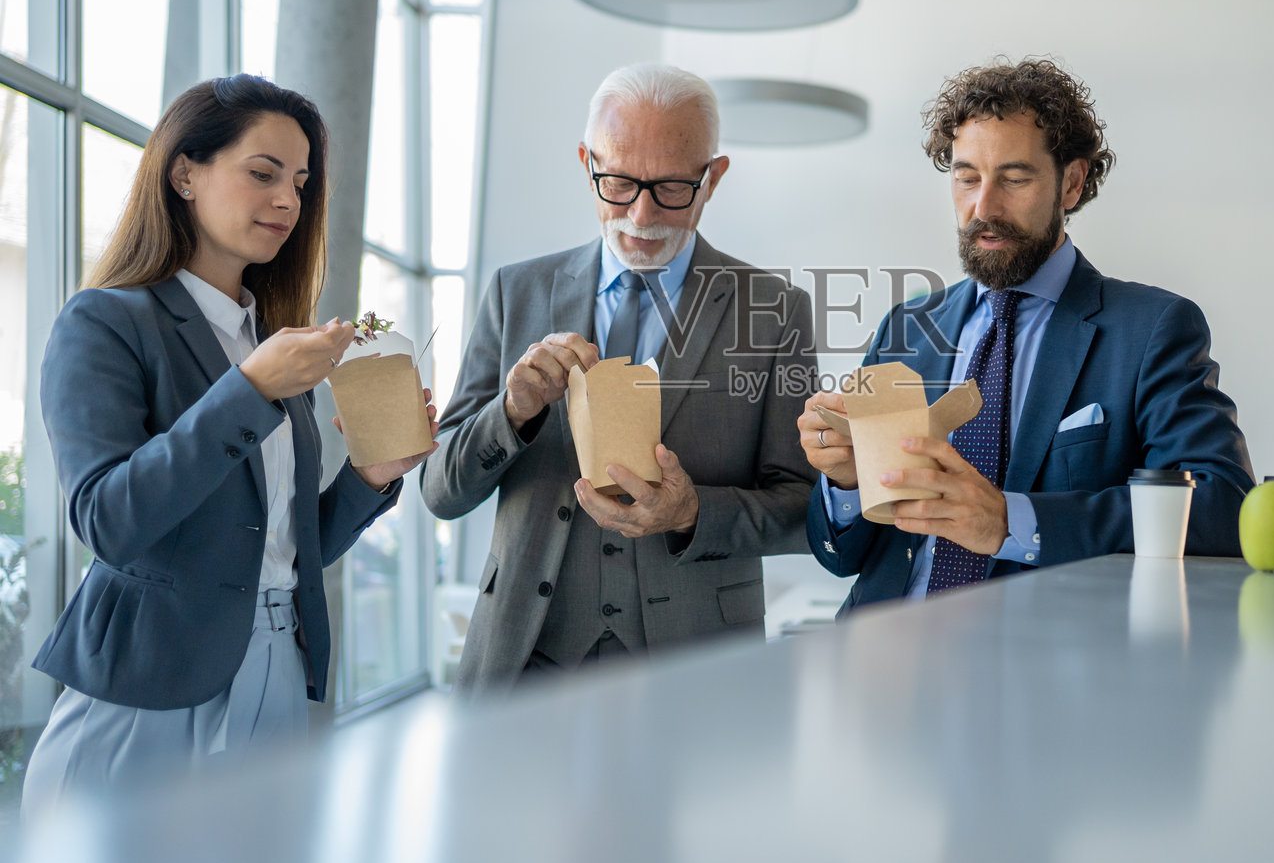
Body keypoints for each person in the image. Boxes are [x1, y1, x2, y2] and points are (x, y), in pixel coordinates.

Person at [22, 76, 437, 810]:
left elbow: (275, 547)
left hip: (278, 672)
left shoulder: (270, 342)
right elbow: (108, 520)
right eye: (263, 173)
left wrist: (370, 477)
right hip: (148, 678)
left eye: (300, 183)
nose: (288, 201)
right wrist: (248, 390)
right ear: (185, 173)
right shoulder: (106, 321)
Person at [799, 58, 1253, 609]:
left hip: (1040, 649)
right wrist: (846, 484)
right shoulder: (907, 327)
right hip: (882, 643)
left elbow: (1223, 507)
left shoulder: (1152, 328)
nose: (983, 207)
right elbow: (841, 558)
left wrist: (1010, 520)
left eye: (1014, 179)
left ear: (1072, 183)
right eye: (967, 178)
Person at [421, 63, 815, 690]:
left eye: (672, 188)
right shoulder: (514, 293)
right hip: (523, 662)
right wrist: (512, 412)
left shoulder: (776, 310)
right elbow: (441, 493)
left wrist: (693, 513)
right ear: (587, 165)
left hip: (698, 670)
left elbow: (805, 508)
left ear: (713, 178)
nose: (641, 213)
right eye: (620, 183)